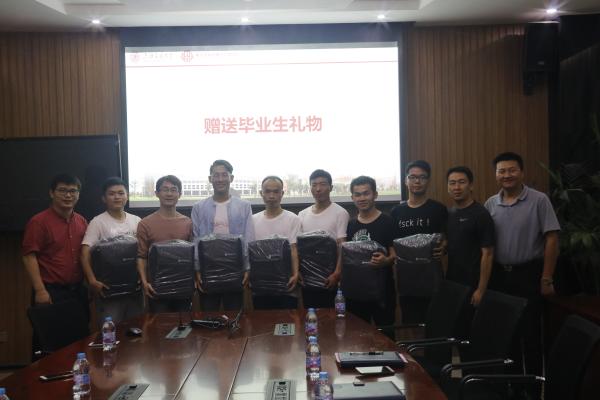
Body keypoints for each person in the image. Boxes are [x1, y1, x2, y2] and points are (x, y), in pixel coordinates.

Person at [484, 152, 560, 386]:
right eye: (501, 171)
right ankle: (513, 387)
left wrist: (546, 278)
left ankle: (533, 388)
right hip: (499, 276)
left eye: (512, 170)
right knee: (507, 334)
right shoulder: (490, 203)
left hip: (529, 275)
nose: (506, 175)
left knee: (531, 335)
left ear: (522, 172)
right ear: (496, 175)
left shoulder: (539, 200)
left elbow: (552, 239)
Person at [22, 173, 89, 356]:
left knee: (78, 344)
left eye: (73, 191)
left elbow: (85, 256)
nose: (68, 195)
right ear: (51, 193)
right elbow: (29, 256)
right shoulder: (39, 222)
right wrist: (40, 290)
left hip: (77, 291)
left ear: (78, 194)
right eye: (62, 190)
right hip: (50, 292)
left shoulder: (81, 221)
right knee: (48, 345)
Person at [191, 160, 255, 311]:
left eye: (224, 175)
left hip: (235, 268)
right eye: (216, 175)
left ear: (231, 178)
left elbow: (249, 238)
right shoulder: (198, 208)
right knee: (208, 315)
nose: (220, 179)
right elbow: (195, 239)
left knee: (234, 314)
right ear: (210, 179)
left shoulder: (244, 206)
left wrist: (247, 267)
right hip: (208, 268)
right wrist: (197, 268)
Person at [390, 160, 447, 323]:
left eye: (422, 177)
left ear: (428, 181)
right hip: (406, 279)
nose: (417, 181)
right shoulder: (396, 211)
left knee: (436, 325)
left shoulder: (438, 209)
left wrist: (444, 246)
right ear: (405, 180)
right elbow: (392, 244)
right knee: (411, 325)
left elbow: (446, 238)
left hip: (432, 278)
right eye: (413, 177)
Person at [80, 177, 143, 326]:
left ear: (127, 196)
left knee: (136, 330)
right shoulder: (97, 222)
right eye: (112, 193)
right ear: (104, 198)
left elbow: (143, 253)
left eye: (121, 193)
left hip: (134, 288)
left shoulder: (137, 220)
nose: (117, 197)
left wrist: (143, 276)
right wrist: (92, 281)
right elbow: (84, 254)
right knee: (111, 332)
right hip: (108, 290)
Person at [446, 166, 495, 338]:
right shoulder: (449, 213)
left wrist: (481, 289)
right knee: (457, 332)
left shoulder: (481, 214)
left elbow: (488, 254)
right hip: (454, 284)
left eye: (461, 182)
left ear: (471, 185)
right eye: (452, 183)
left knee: (472, 335)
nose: (457, 187)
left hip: (473, 285)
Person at [136, 175, 193, 313]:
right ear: (157, 193)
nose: (169, 193)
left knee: (184, 324)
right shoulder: (145, 223)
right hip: (156, 287)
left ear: (179, 194)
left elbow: (192, 256)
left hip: (183, 285)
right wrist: (144, 282)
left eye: (173, 190)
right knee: (159, 324)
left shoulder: (188, 222)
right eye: (165, 189)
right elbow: (141, 256)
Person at [346, 176, 397, 326]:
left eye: (366, 193)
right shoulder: (350, 225)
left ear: (375, 194)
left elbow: (395, 254)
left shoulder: (388, 221)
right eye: (357, 194)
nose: (362, 198)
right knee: (358, 335)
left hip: (383, 292)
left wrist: (385, 261)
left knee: (386, 335)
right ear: (352, 198)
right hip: (356, 293)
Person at [298, 169, 349, 308]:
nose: (318, 189)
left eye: (323, 184)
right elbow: (299, 248)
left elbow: (342, 246)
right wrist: (298, 271)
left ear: (331, 187)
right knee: (310, 315)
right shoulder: (302, 214)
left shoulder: (340, 213)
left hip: (330, 277)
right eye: (314, 185)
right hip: (307, 278)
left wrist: (337, 273)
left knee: (331, 316)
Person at [251, 176, 301, 309]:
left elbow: (294, 248)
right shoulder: (253, 220)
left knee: (288, 320)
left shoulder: (293, 219)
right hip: (261, 284)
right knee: (262, 320)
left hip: (286, 283)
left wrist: (296, 274)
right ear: (261, 193)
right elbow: (250, 253)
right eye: (267, 191)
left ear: (282, 193)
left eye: (276, 191)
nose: (271, 196)